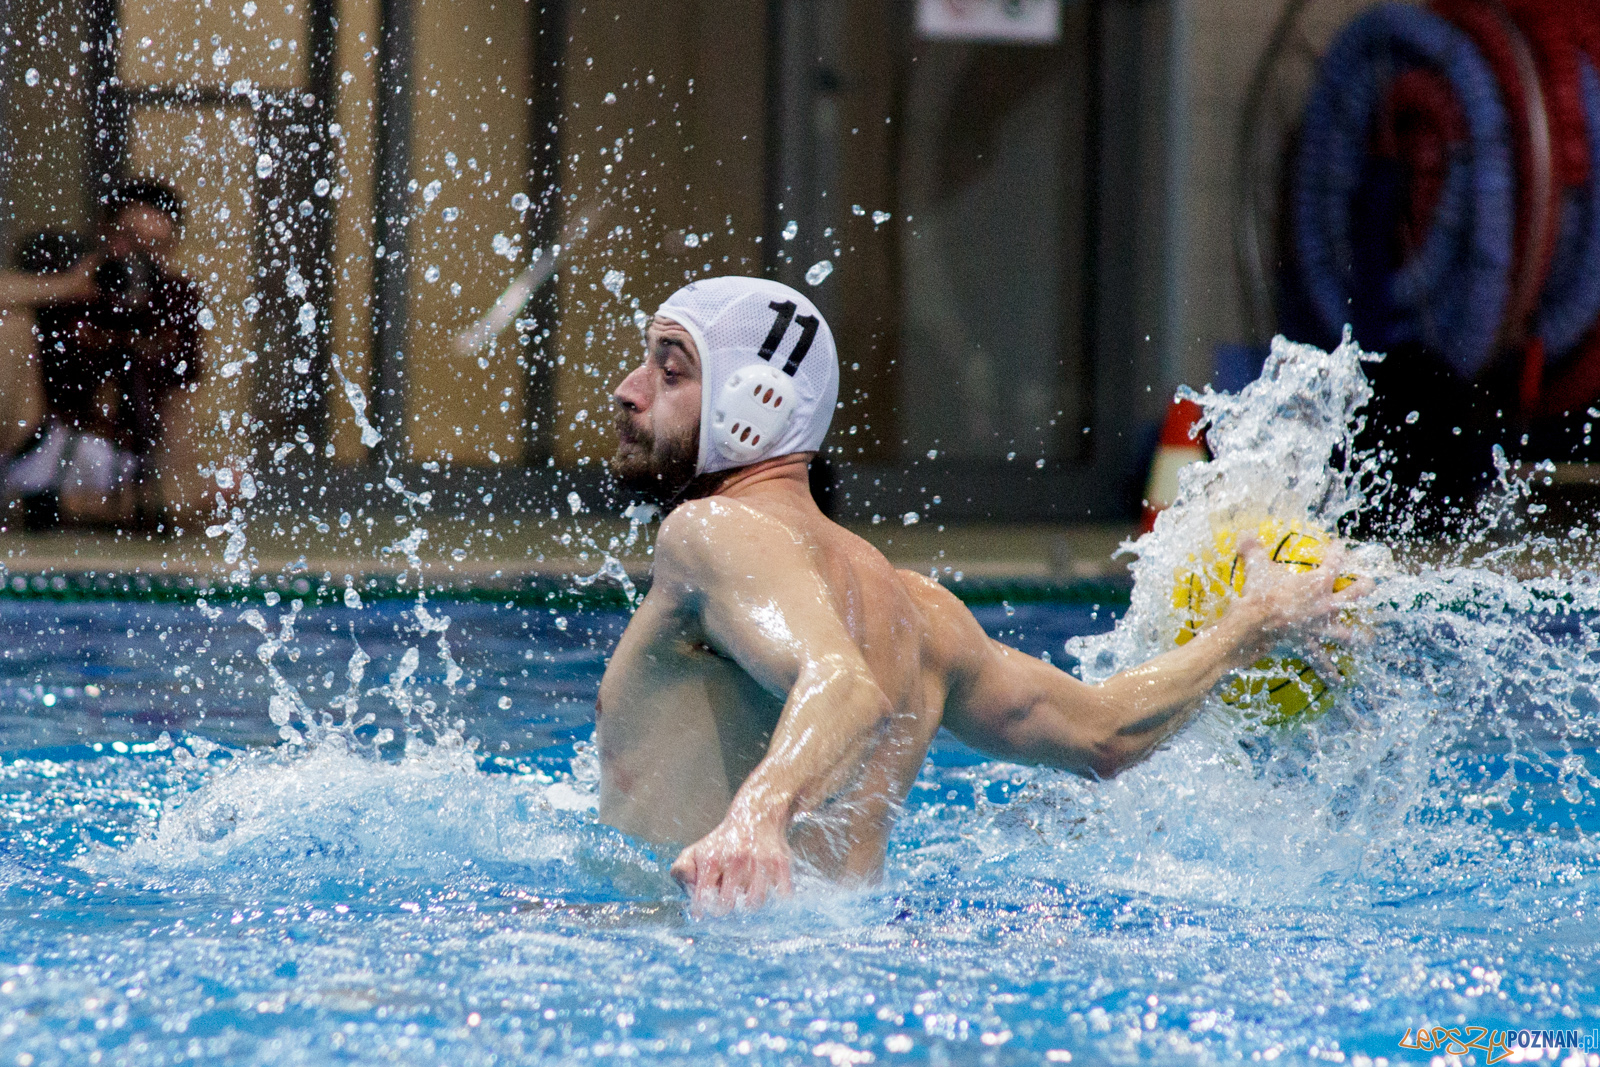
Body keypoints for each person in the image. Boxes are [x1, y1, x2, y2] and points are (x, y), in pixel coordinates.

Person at [599, 277, 1371, 916]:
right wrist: (1256, 621)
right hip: (845, 965)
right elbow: (1105, 736)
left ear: (754, 403)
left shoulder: (704, 534)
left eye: (672, 372)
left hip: (699, 952)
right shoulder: (920, 613)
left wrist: (756, 816)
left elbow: (842, 687)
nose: (630, 391)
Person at [6, 180, 202, 529]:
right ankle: (73, 508)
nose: (139, 256)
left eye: (154, 245)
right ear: (106, 230)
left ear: (172, 247)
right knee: (10, 324)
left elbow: (178, 406)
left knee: (221, 488)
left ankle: (59, 508)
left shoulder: (176, 300)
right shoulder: (69, 278)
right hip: (47, 442)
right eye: (130, 239)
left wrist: (176, 481)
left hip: (120, 459)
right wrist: (66, 288)